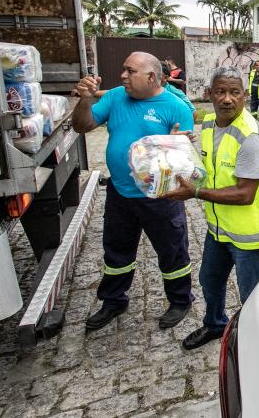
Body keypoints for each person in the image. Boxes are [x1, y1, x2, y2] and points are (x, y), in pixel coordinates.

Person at [71, 52, 195, 330]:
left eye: (130, 71)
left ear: (152, 77)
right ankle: (114, 300)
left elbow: (185, 162)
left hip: (160, 197)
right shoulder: (115, 97)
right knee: (116, 252)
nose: (123, 76)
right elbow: (83, 125)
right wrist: (85, 99)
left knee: (172, 251)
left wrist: (176, 145)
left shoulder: (177, 107)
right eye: (124, 71)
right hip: (120, 193)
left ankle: (180, 300)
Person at [161, 67, 259, 350]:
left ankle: (257, 341)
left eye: (234, 93)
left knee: (252, 293)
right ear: (209, 94)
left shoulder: (251, 138)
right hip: (219, 227)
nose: (227, 99)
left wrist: (196, 193)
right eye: (220, 92)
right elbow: (204, 169)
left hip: (248, 234)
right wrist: (177, 149)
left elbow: (244, 194)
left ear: (244, 97)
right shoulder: (210, 124)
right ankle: (215, 325)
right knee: (210, 280)